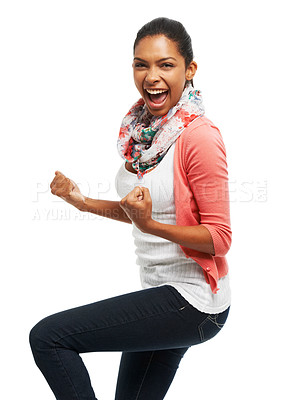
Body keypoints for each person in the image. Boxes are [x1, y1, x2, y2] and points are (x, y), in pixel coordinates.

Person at [29, 17, 232, 400]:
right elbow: (139, 211)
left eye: (166, 64)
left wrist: (150, 225)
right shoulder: (141, 135)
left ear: (189, 70)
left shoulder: (199, 137)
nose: (151, 76)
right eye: (141, 64)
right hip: (160, 294)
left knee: (49, 338)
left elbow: (219, 240)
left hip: (193, 301)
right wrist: (81, 201)